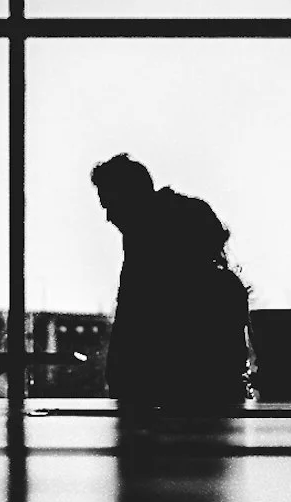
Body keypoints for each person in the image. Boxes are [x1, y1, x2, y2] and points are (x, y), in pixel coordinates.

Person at [91, 154, 253, 413]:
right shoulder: (222, 286)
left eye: (111, 205)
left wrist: (121, 381)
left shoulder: (144, 245)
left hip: (163, 400)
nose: (109, 217)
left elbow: (131, 326)